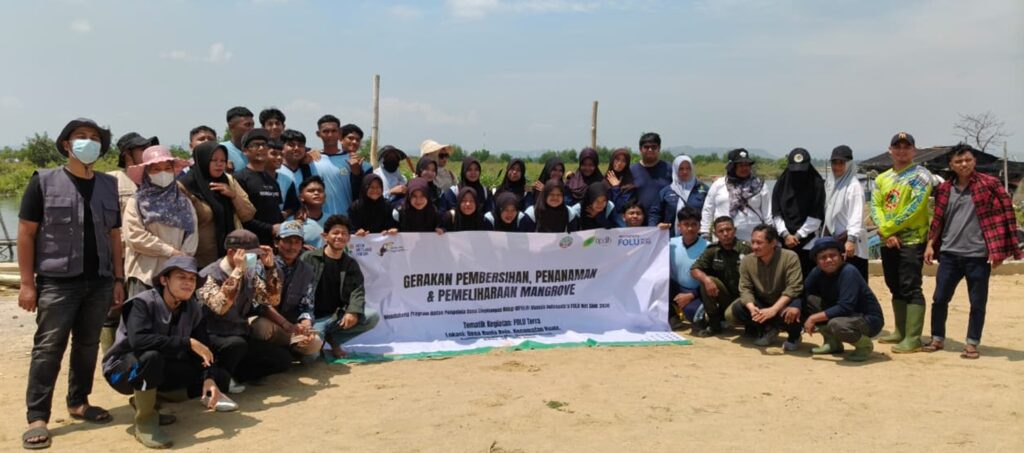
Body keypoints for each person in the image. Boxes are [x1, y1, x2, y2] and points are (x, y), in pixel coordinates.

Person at [18, 118, 124, 449]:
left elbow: (114, 236)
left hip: (100, 281)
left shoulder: (108, 184)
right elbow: (26, 233)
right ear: (66, 144)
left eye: (95, 138)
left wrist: (118, 278)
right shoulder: (44, 182)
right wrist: (26, 284)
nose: (88, 142)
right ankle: (38, 417)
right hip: (57, 282)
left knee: (87, 345)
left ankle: (79, 402)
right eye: (81, 137)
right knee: (48, 348)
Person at [101, 256, 236, 449]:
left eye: (192, 279)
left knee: (217, 378)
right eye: (181, 277)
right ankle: (145, 422)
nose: (188, 283)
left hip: (156, 366)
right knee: (151, 357)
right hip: (120, 372)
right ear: (164, 280)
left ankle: (146, 401)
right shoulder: (141, 303)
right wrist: (186, 342)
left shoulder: (193, 308)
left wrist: (209, 377)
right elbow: (138, 341)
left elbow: (203, 348)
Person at [922, 143, 1021, 359]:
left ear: (974, 161)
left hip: (978, 256)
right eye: (958, 161)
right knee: (939, 299)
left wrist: (999, 252)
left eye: (967, 160)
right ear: (951, 164)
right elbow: (938, 220)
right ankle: (937, 337)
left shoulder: (990, 184)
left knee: (977, 302)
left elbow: (1006, 216)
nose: (963, 164)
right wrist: (930, 244)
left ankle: (972, 343)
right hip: (949, 254)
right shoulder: (945, 189)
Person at [197, 230, 290, 393]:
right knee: (235, 345)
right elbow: (220, 307)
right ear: (231, 252)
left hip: (240, 332)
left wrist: (270, 269)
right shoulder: (207, 275)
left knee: (282, 360)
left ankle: (237, 374)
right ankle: (220, 377)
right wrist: (237, 272)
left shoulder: (250, 273)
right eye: (249, 254)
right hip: (214, 336)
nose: (252, 259)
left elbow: (270, 300)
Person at [870, 132, 933, 354]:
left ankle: (913, 337)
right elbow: (875, 206)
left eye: (907, 147)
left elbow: (915, 206)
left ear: (914, 150)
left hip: (912, 239)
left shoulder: (922, 175)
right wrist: (887, 234)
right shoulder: (882, 178)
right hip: (890, 240)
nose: (902, 150)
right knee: (893, 284)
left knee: (910, 285)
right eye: (897, 146)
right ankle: (900, 330)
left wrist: (888, 229)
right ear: (890, 150)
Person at [121, 145, 196, 300]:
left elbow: (192, 234)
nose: (163, 173)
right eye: (156, 169)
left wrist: (181, 260)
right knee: (142, 320)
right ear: (146, 173)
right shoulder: (136, 201)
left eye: (167, 168)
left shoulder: (184, 202)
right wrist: (170, 252)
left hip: (177, 275)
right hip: (144, 274)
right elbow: (135, 237)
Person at [301, 215, 380, 358]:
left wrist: (353, 311)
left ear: (349, 238)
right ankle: (320, 339)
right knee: (310, 357)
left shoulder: (350, 264)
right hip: (312, 319)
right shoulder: (309, 258)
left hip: (336, 317)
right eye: (335, 233)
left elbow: (357, 291)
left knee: (372, 316)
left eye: (344, 233)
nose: (340, 236)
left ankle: (333, 340)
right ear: (325, 236)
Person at [250, 222, 323, 361]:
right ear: (276, 243)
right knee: (260, 327)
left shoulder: (307, 271)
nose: (292, 247)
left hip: (291, 327)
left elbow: (307, 305)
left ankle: (287, 350)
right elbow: (261, 305)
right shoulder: (262, 265)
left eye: (297, 242)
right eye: (288, 241)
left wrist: (306, 325)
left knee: (315, 345)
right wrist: (285, 324)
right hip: (271, 324)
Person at [802, 238, 883, 362]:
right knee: (810, 300)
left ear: (841, 256)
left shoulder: (849, 271)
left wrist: (813, 318)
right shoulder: (817, 272)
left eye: (832, 255)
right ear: (817, 261)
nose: (828, 260)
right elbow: (802, 291)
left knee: (837, 325)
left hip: (867, 319)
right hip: (844, 315)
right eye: (823, 258)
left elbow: (845, 306)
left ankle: (864, 345)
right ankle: (833, 343)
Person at [178, 142, 256, 268]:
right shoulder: (185, 186)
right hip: (199, 260)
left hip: (229, 258)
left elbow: (248, 214)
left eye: (223, 160)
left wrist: (234, 196)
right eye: (213, 160)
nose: (219, 164)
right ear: (203, 160)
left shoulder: (228, 180)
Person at [728, 224, 804, 350]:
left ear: (773, 243)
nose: (754, 247)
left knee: (792, 311)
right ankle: (769, 329)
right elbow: (745, 288)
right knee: (739, 308)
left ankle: (794, 335)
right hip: (763, 300)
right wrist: (752, 308)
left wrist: (774, 310)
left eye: (759, 243)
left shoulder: (790, 257)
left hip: (785, 300)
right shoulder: (747, 261)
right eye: (752, 242)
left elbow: (794, 288)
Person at [690, 216, 752, 337]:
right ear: (715, 234)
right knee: (706, 280)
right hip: (725, 296)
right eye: (721, 231)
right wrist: (707, 280)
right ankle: (714, 325)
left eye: (728, 230)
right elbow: (694, 269)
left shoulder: (747, 248)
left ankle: (752, 325)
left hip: (745, 295)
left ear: (734, 230)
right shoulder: (713, 250)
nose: (725, 234)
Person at [771, 147, 825, 276]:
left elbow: (816, 215)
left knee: (808, 279)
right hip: (784, 242)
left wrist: (797, 236)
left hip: (809, 242)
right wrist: (785, 235)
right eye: (794, 171)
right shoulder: (782, 184)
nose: (798, 175)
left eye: (801, 171)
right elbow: (776, 213)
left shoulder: (816, 184)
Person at [700, 148, 772, 242]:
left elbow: (768, 214)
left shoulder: (761, 186)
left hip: (753, 240)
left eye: (747, 165)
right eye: (741, 165)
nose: (745, 168)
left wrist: (771, 235)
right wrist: (705, 232)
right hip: (723, 239)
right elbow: (708, 210)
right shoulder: (718, 184)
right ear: (732, 167)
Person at [821, 145, 869, 280]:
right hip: (835, 241)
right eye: (834, 163)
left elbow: (856, 216)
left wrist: (851, 240)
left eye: (841, 163)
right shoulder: (832, 184)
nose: (837, 167)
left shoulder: (853, 186)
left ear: (849, 164)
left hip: (849, 243)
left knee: (854, 280)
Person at [234, 129, 286, 245]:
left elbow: (276, 212)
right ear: (245, 151)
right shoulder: (239, 179)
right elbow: (241, 216)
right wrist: (270, 228)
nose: (261, 148)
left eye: (264, 145)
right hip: (249, 243)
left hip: (273, 243)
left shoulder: (272, 181)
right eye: (256, 145)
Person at [311, 118, 371, 217]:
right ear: (318, 134)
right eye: (326, 131)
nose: (330, 135)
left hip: (347, 219)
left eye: (334, 131)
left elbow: (362, 194)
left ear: (339, 133)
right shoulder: (311, 160)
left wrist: (357, 173)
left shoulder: (356, 162)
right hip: (319, 219)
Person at [668, 208, 709, 330]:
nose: (690, 229)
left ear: (699, 226)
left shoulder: (708, 247)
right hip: (674, 288)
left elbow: (711, 278)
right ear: (679, 226)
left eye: (693, 225)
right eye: (686, 224)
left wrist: (692, 295)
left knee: (693, 314)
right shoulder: (670, 244)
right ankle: (672, 316)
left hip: (696, 292)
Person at [651, 155, 708, 236]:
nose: (685, 172)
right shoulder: (666, 191)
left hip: (698, 238)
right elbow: (655, 213)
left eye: (688, 168)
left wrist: (706, 230)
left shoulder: (703, 189)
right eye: (681, 169)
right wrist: (655, 228)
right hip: (671, 239)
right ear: (675, 170)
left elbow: (710, 211)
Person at [110, 132, 159, 214]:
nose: (148, 153)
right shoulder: (112, 180)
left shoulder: (156, 181)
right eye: (143, 149)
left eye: (149, 149)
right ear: (128, 153)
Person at [630, 132, 672, 212]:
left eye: (654, 147)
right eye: (646, 147)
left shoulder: (670, 169)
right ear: (640, 149)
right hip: (638, 221)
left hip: (665, 221)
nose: (650, 150)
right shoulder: (631, 171)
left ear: (659, 148)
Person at [290, 176, 328, 249]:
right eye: (311, 191)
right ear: (301, 197)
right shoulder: (292, 222)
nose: (316, 193)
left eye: (320, 191)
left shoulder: (333, 221)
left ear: (325, 196)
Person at [267, 139, 300, 216]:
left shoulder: (287, 181)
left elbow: (293, 205)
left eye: (281, 155)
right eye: (273, 154)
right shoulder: (253, 177)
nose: (279, 158)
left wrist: (286, 213)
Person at [605, 148, 637, 222]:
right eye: (617, 159)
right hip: (603, 224)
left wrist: (616, 187)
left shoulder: (629, 184)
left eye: (623, 161)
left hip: (620, 226)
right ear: (612, 160)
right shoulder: (603, 180)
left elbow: (621, 208)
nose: (619, 163)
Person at [220, 106, 254, 173]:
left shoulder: (258, 151)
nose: (251, 129)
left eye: (252, 125)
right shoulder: (221, 149)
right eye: (247, 125)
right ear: (231, 127)